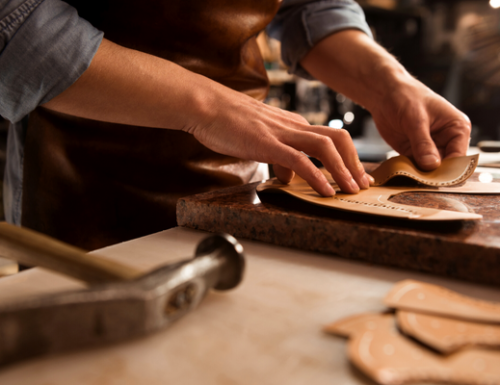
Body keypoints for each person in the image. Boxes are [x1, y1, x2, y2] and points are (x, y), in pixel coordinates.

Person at [0, 0, 471, 249]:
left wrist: (389, 84)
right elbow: (16, 23)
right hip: (88, 194)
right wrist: (208, 107)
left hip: (243, 195)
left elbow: (307, 6)